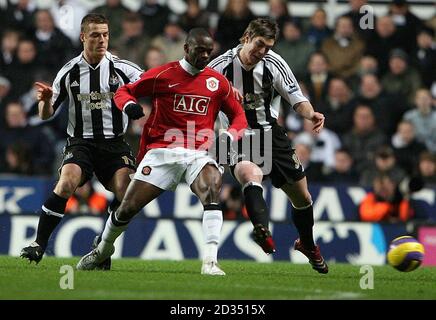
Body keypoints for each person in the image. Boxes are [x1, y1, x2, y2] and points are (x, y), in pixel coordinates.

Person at [76, 28, 248, 275]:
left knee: (212, 190)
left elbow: (239, 115)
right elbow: (124, 91)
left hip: (199, 152)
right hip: (162, 151)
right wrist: (130, 105)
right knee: (127, 208)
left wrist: (230, 135)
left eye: (209, 52)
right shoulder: (163, 75)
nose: (206, 57)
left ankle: (210, 262)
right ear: (186, 48)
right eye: (200, 51)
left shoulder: (217, 82)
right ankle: (102, 249)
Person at [20, 14, 143, 269]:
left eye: (106, 34)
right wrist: (43, 100)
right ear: (83, 37)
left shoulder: (124, 69)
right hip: (81, 143)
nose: (102, 40)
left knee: (127, 193)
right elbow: (46, 114)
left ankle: (103, 243)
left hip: (114, 144)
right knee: (66, 184)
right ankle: (39, 243)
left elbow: (153, 87)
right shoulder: (69, 71)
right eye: (96, 34)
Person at [208, 18, 328, 273]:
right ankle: (262, 228)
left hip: (271, 134)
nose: (262, 51)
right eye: (259, 44)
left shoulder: (274, 63)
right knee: (249, 174)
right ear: (247, 36)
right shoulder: (219, 67)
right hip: (235, 135)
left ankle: (307, 244)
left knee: (302, 197)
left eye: (268, 46)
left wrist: (311, 114)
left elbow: (295, 96)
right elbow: (201, 98)